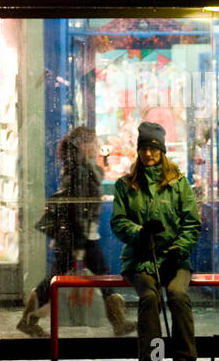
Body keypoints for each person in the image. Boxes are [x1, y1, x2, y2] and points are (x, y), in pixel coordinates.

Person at [110, 121, 202, 361]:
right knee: (150, 299)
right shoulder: (126, 186)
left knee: (177, 296)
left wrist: (178, 250)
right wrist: (139, 232)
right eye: (144, 149)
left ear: (162, 151)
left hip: (175, 259)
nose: (148, 154)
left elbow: (191, 223)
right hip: (140, 260)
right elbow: (118, 221)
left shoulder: (178, 184)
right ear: (138, 152)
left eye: (153, 148)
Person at [18, 126, 134, 339]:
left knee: (63, 277)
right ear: (83, 145)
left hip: (78, 236)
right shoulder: (80, 171)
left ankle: (28, 321)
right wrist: (78, 244)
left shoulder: (79, 167)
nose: (97, 146)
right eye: (93, 142)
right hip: (78, 237)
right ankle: (118, 323)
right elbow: (77, 209)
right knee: (97, 276)